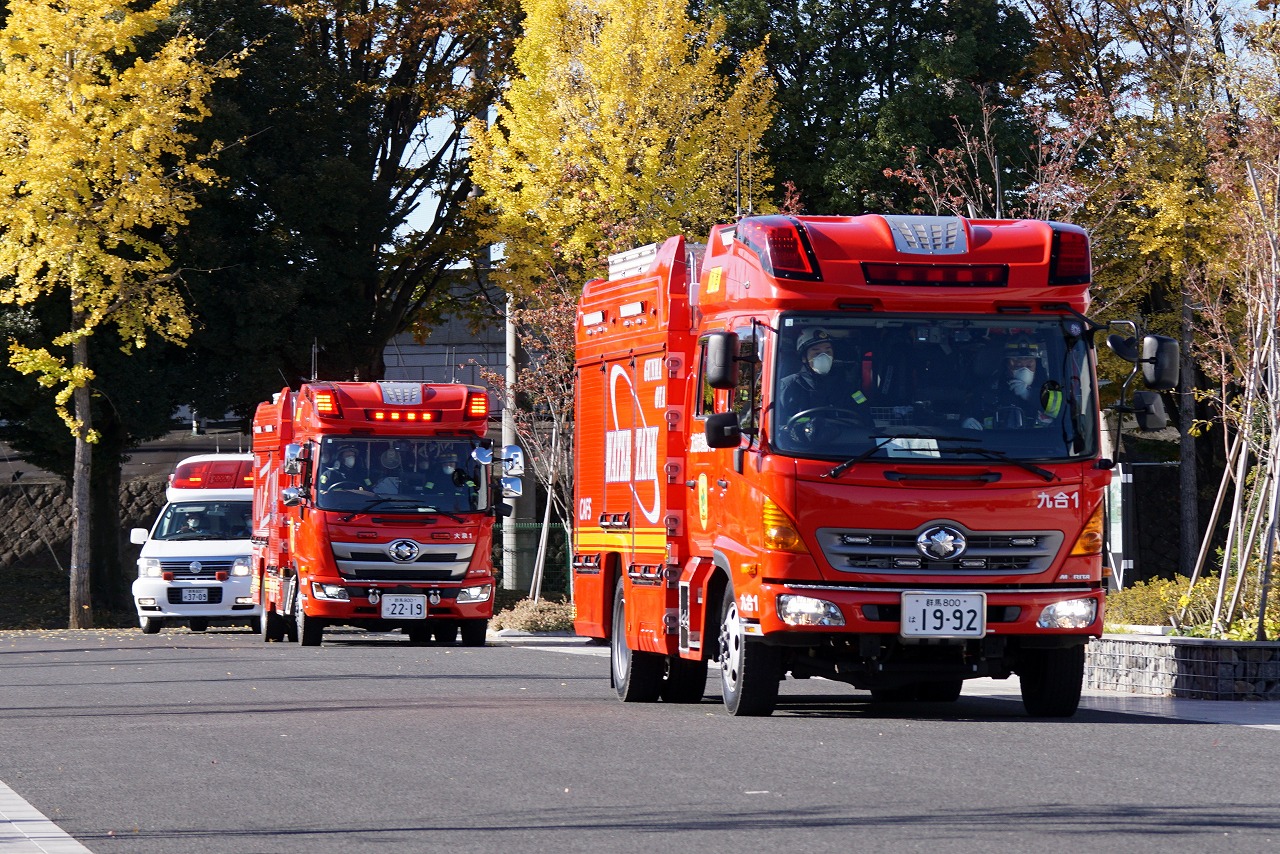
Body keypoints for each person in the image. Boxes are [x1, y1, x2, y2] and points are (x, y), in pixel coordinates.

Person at [965, 335, 1062, 429]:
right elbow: (969, 408)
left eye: (1029, 363)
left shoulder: (1051, 387)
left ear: (1037, 363)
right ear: (1007, 363)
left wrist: (1030, 394)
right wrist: (966, 420)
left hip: (1041, 442)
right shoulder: (990, 386)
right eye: (1017, 363)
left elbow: (1065, 411)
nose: (1023, 367)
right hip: (997, 442)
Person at [777, 327, 870, 426]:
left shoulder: (849, 388)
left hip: (845, 441)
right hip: (803, 441)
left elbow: (866, 420)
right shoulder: (787, 387)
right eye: (816, 352)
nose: (823, 356)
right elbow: (778, 428)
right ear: (804, 357)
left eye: (828, 352)